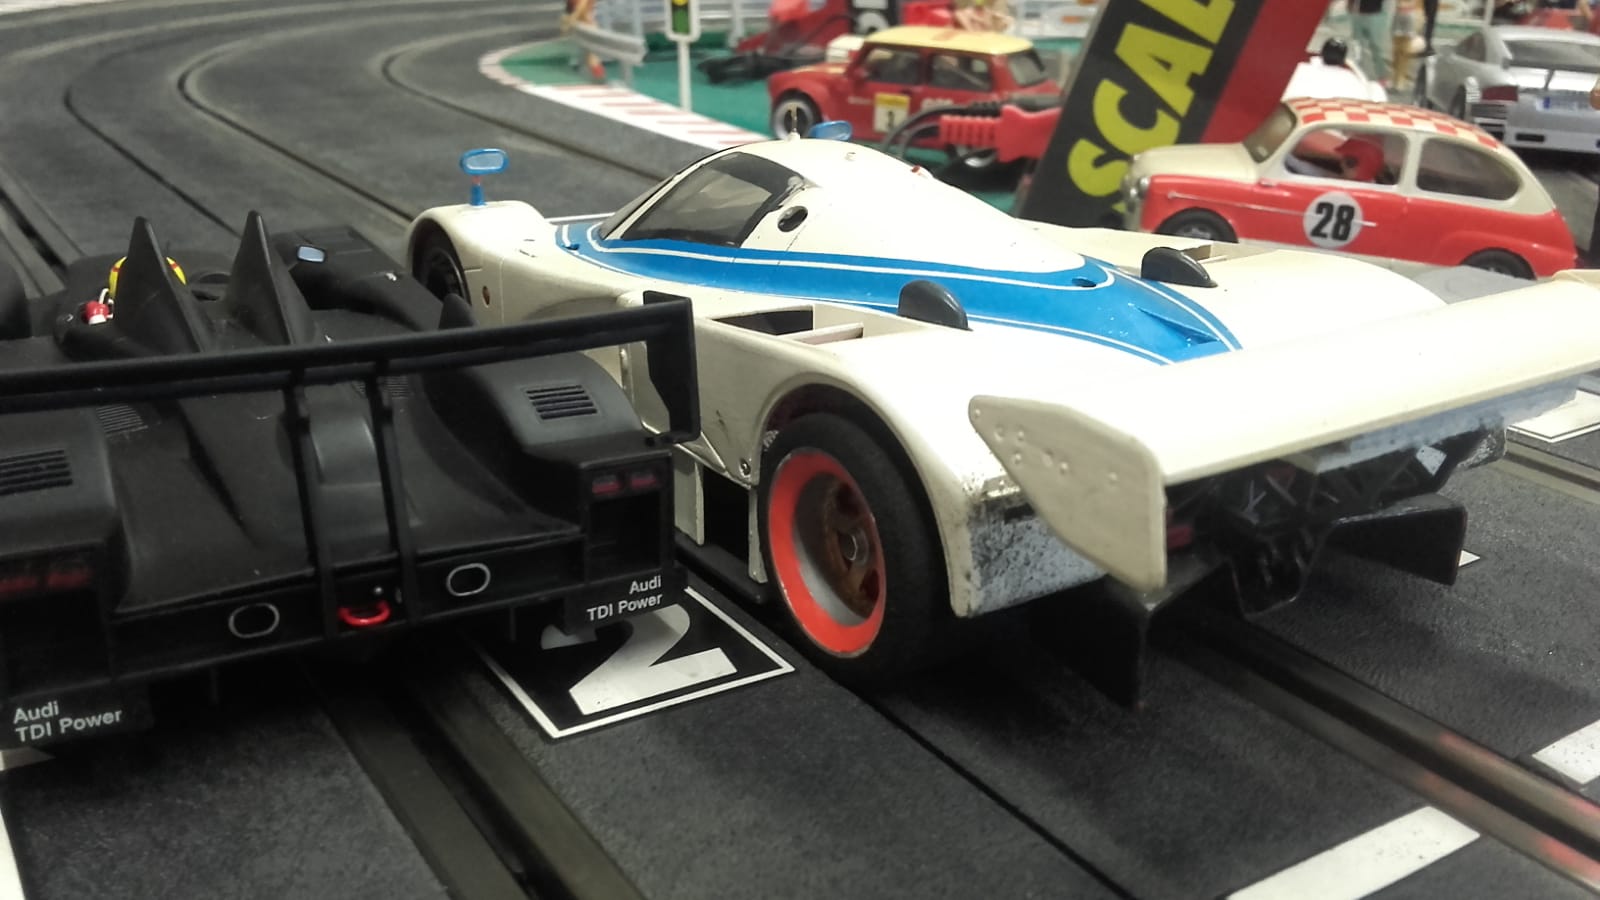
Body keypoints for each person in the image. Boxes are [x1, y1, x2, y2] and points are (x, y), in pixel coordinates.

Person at [1351, 0, 1392, 83]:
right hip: (1359, 13)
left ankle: (1381, 75)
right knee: (1358, 46)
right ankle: (1358, 73)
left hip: (1375, 15)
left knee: (1376, 47)